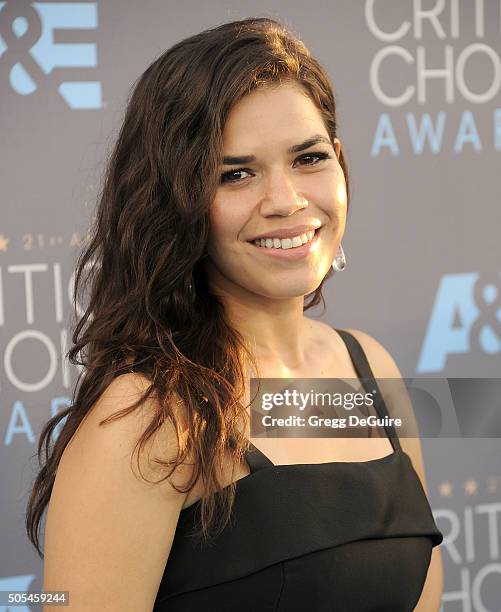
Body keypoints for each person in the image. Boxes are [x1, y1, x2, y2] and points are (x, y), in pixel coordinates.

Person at [26, 16, 444, 611]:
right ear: (175, 201)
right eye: (236, 173)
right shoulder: (147, 415)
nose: (287, 201)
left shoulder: (366, 367)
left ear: (341, 164)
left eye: (308, 158)